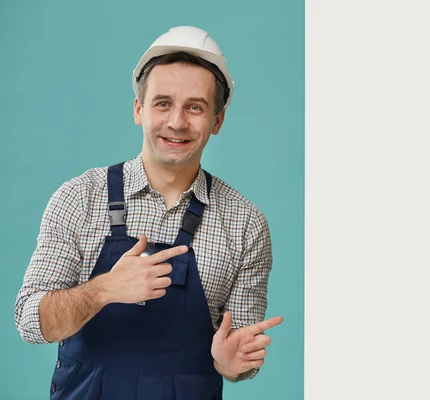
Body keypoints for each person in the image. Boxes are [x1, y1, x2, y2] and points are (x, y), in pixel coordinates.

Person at [14, 25, 282, 399]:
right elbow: (30, 323)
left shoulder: (244, 224)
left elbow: (240, 355)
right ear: (139, 109)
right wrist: (104, 289)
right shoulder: (79, 199)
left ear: (217, 121)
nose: (176, 122)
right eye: (163, 103)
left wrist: (233, 365)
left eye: (195, 107)